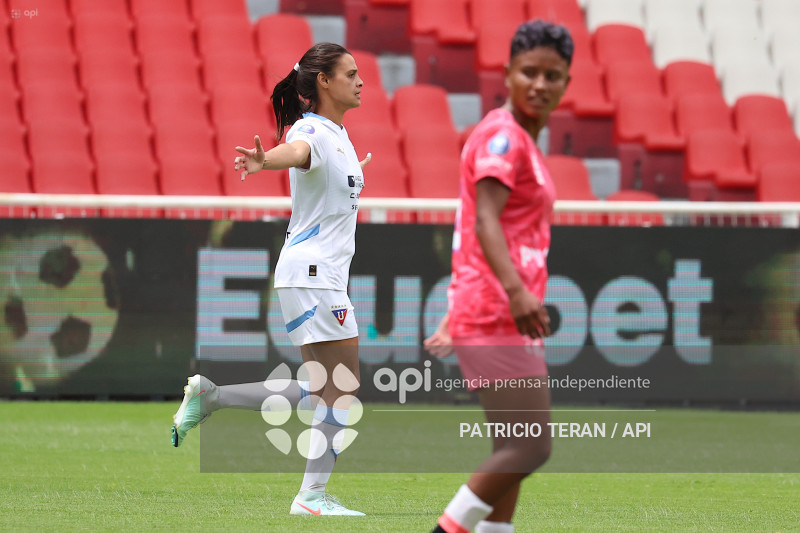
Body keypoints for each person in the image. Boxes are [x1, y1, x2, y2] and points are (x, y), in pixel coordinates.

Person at [170, 42, 371, 517]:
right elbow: (296, 151)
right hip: (314, 275)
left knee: (321, 382)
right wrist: (267, 161)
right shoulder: (312, 131)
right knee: (341, 385)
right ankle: (311, 498)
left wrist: (353, 175)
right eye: (351, 73)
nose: (360, 81)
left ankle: (212, 395)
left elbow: (322, 178)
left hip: (315, 275)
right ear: (324, 81)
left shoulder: (338, 135)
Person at [424, 20, 572, 533]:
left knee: (512, 446)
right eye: (528, 72)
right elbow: (485, 219)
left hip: (489, 306)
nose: (540, 84)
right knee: (530, 446)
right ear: (506, 74)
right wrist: (515, 293)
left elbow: (474, 227)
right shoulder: (503, 136)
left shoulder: (519, 139)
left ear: (566, 83)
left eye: (552, 75)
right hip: (498, 308)